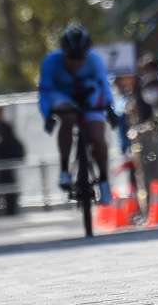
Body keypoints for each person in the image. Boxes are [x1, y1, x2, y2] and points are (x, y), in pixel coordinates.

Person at [38, 24, 115, 205]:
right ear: (63, 53)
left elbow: (105, 87)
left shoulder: (94, 60)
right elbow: (44, 92)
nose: (75, 63)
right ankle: (64, 169)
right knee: (68, 117)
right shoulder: (51, 61)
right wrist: (46, 115)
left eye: (80, 57)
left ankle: (104, 180)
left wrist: (111, 110)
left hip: (89, 93)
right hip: (62, 94)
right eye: (71, 57)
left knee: (97, 135)